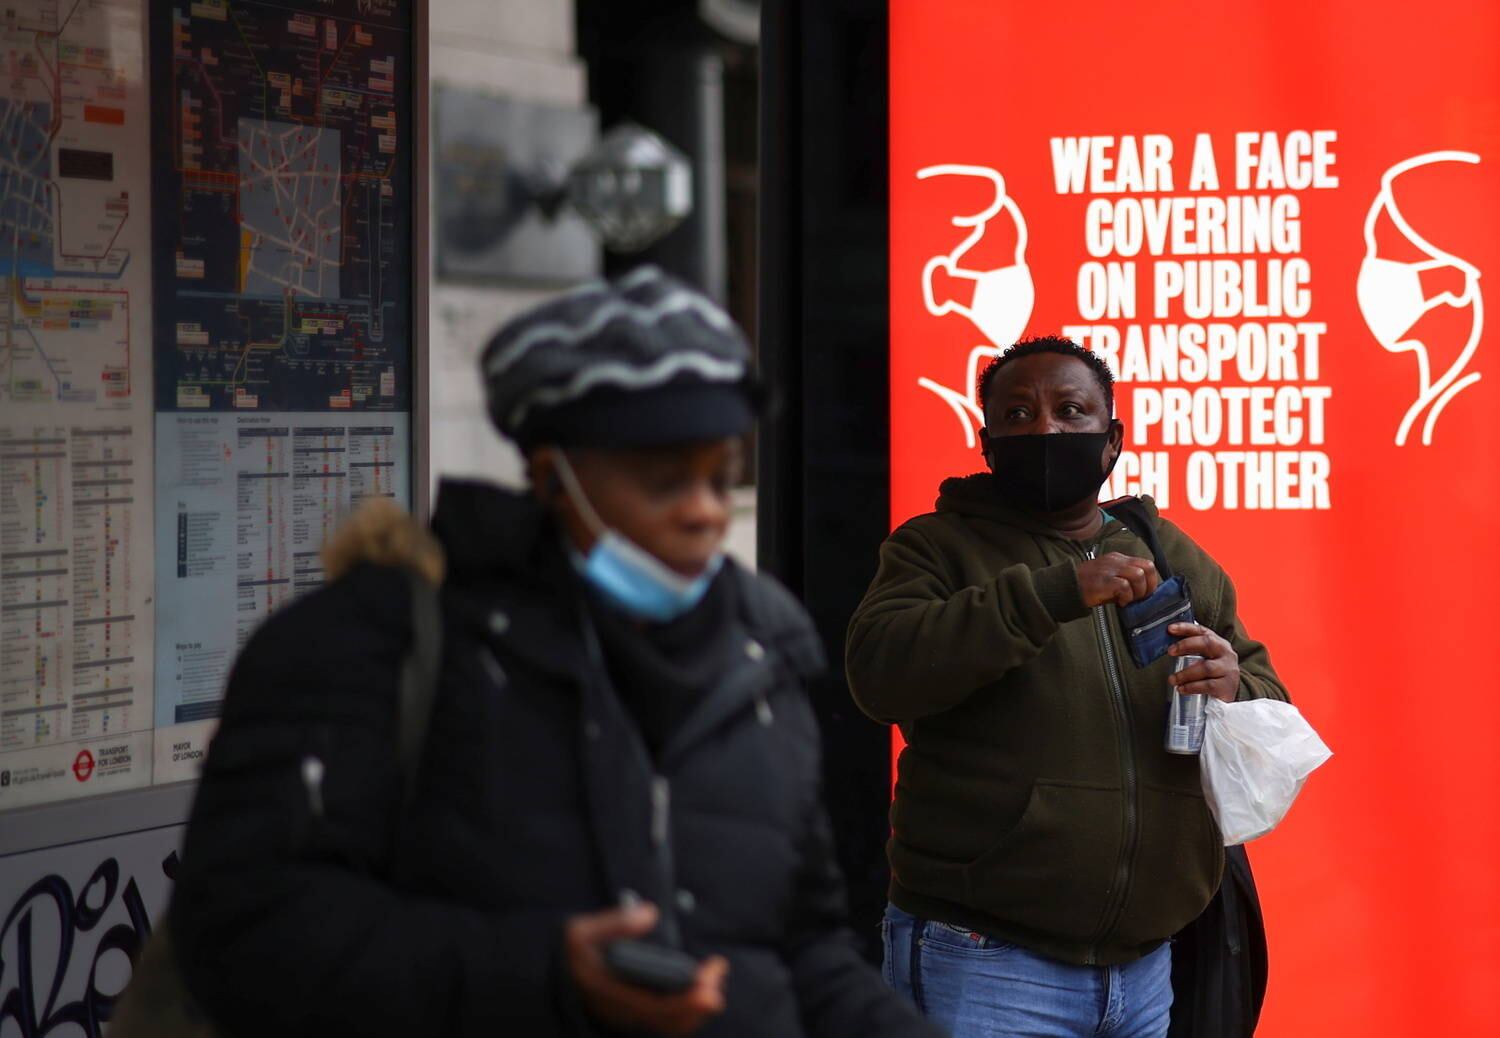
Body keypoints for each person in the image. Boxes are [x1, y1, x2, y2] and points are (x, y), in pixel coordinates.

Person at [168, 268, 944, 1038]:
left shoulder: (763, 660)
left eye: (722, 476)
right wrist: (544, 975)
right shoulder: (380, 645)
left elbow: (803, 952)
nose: (705, 512)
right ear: (552, 479)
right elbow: (244, 930)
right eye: (664, 481)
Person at [845, 336, 1290, 1038]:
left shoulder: (1165, 551)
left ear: (1110, 440)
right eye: (1018, 414)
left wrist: (1233, 686)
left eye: (1070, 410)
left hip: (1146, 967)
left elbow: (1271, 700)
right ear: (987, 442)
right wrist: (1050, 595)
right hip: (985, 958)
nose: (1045, 429)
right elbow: (880, 674)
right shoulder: (934, 547)